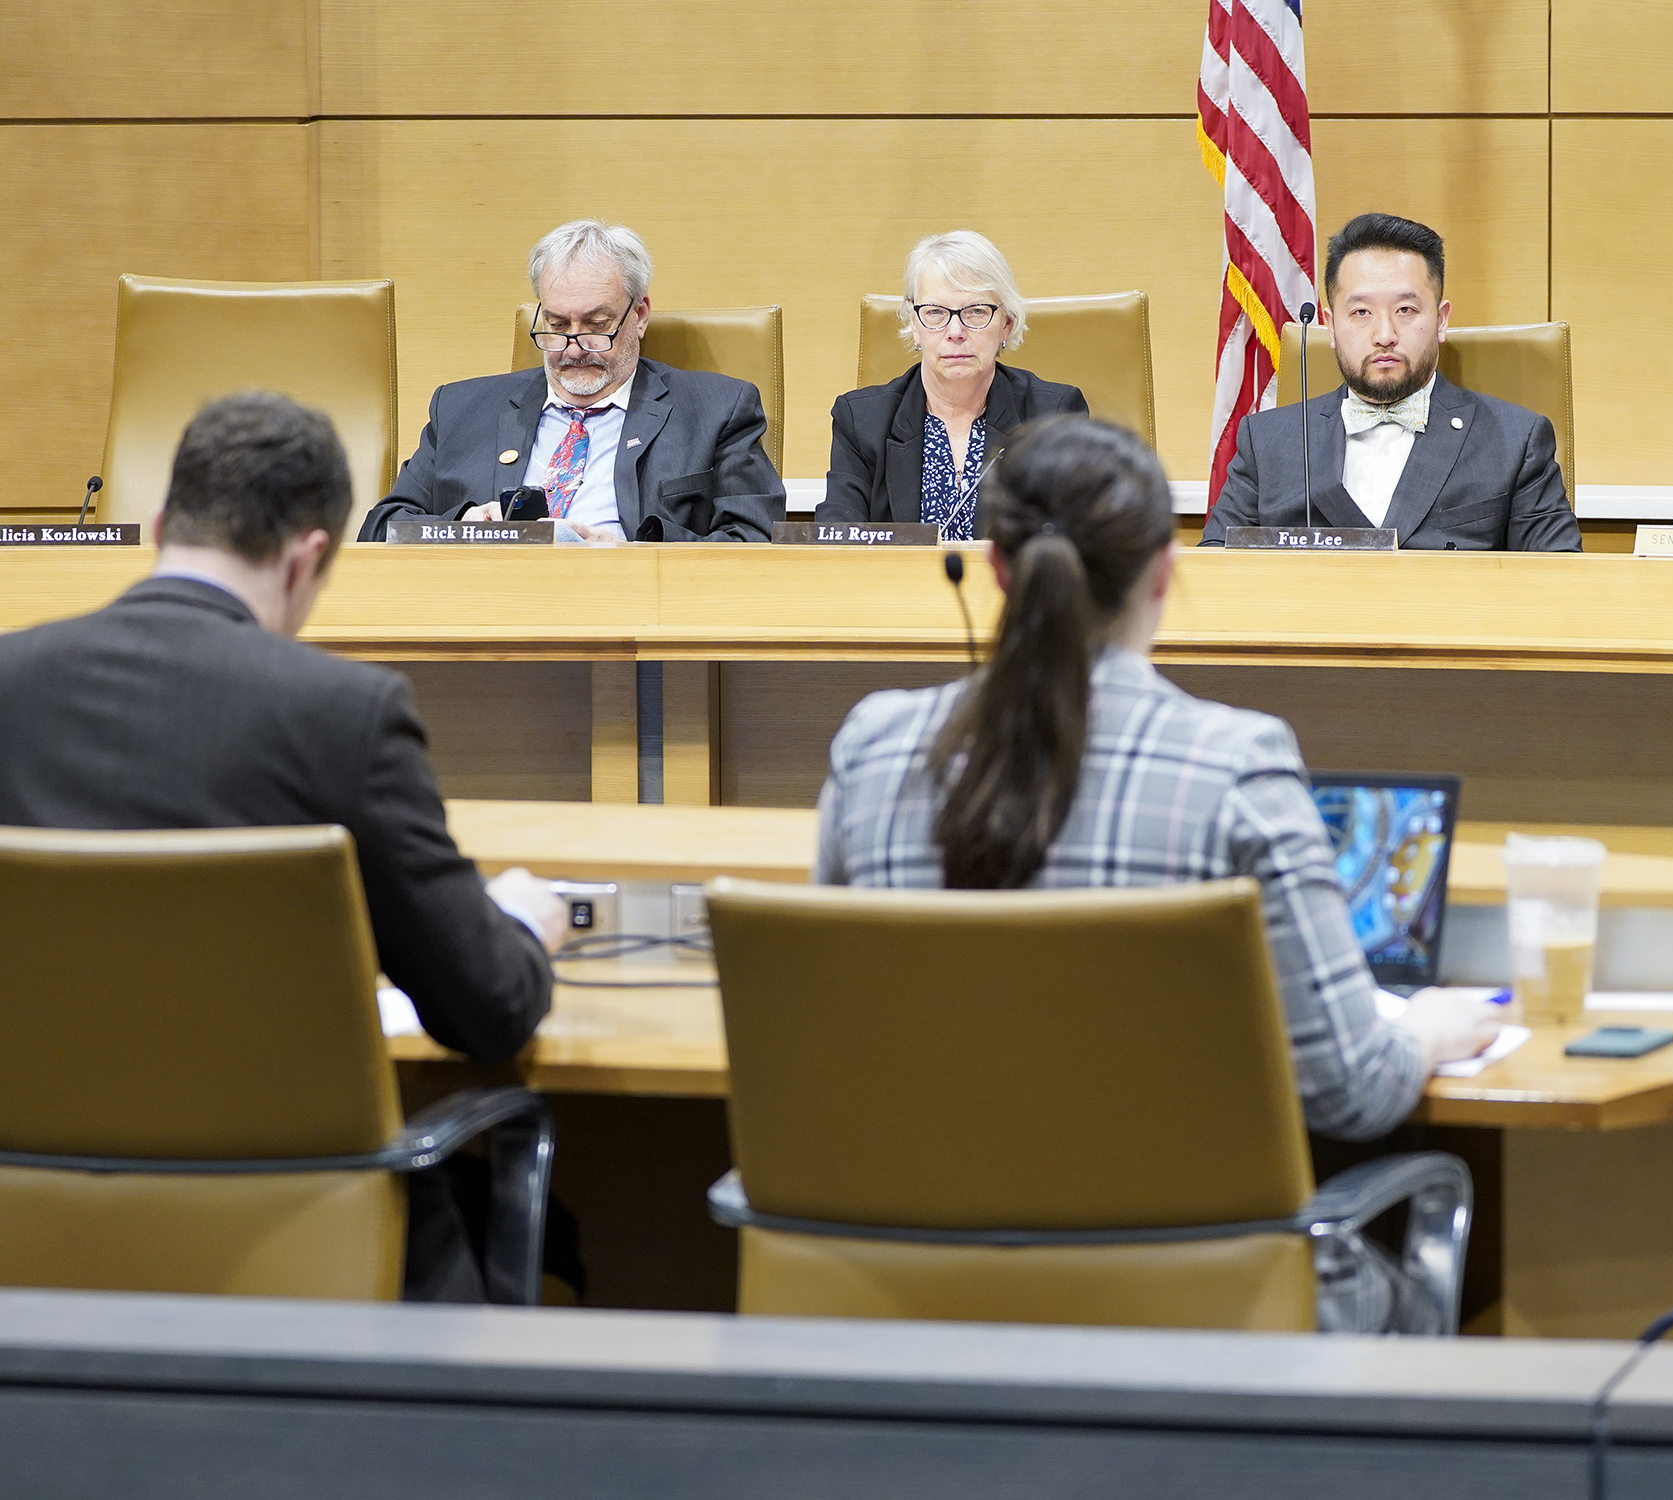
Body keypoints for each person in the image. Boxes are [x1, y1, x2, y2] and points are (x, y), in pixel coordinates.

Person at [816, 415, 1500, 1332]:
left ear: (995, 570)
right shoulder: (1236, 768)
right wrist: (1426, 1031)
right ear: (1165, 573)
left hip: (909, 1288)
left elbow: (835, 1024)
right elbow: (1352, 1088)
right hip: (1185, 1306)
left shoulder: (873, 747)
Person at [0, 391, 569, 1298]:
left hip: (29, 1217)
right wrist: (526, 926)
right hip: (288, 1226)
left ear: (157, 527)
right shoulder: (343, 713)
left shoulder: (9, 682)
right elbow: (488, 1011)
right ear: (310, 558)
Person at [359, 219, 785, 543]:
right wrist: (464, 527)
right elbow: (382, 530)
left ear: (639, 316)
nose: (574, 347)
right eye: (557, 324)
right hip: (483, 611)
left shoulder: (717, 409)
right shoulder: (461, 408)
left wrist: (631, 555)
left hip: (634, 613)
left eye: (597, 325)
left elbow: (756, 541)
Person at [1202, 213, 1580, 551]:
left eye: (1405, 310)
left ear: (1441, 320)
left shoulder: (1516, 441)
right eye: (1361, 312)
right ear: (1331, 327)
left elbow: (1559, 582)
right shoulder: (1267, 442)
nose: (1384, 334)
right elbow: (1216, 576)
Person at [819, 230, 1088, 540]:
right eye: (935, 313)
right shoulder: (862, 420)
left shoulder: (1051, 417)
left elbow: (1073, 543)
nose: (956, 331)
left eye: (976, 312)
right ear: (913, 323)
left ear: (1007, 324)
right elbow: (835, 541)